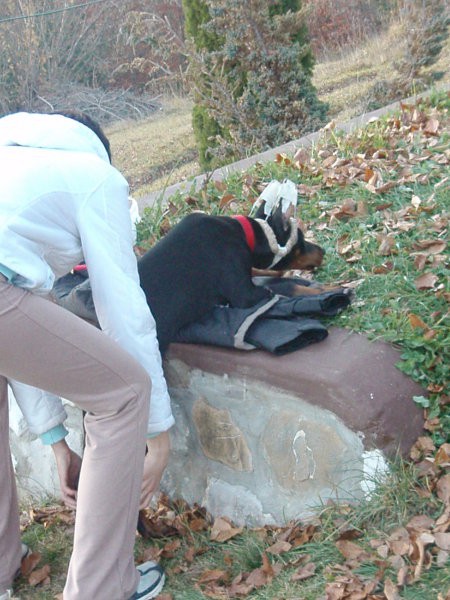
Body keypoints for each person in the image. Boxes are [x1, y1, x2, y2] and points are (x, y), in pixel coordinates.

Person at [0, 111, 174, 600]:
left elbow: (20, 336)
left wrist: (56, 439)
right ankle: (99, 590)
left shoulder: (12, 163)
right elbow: (123, 309)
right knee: (122, 394)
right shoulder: (95, 177)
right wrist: (157, 432)